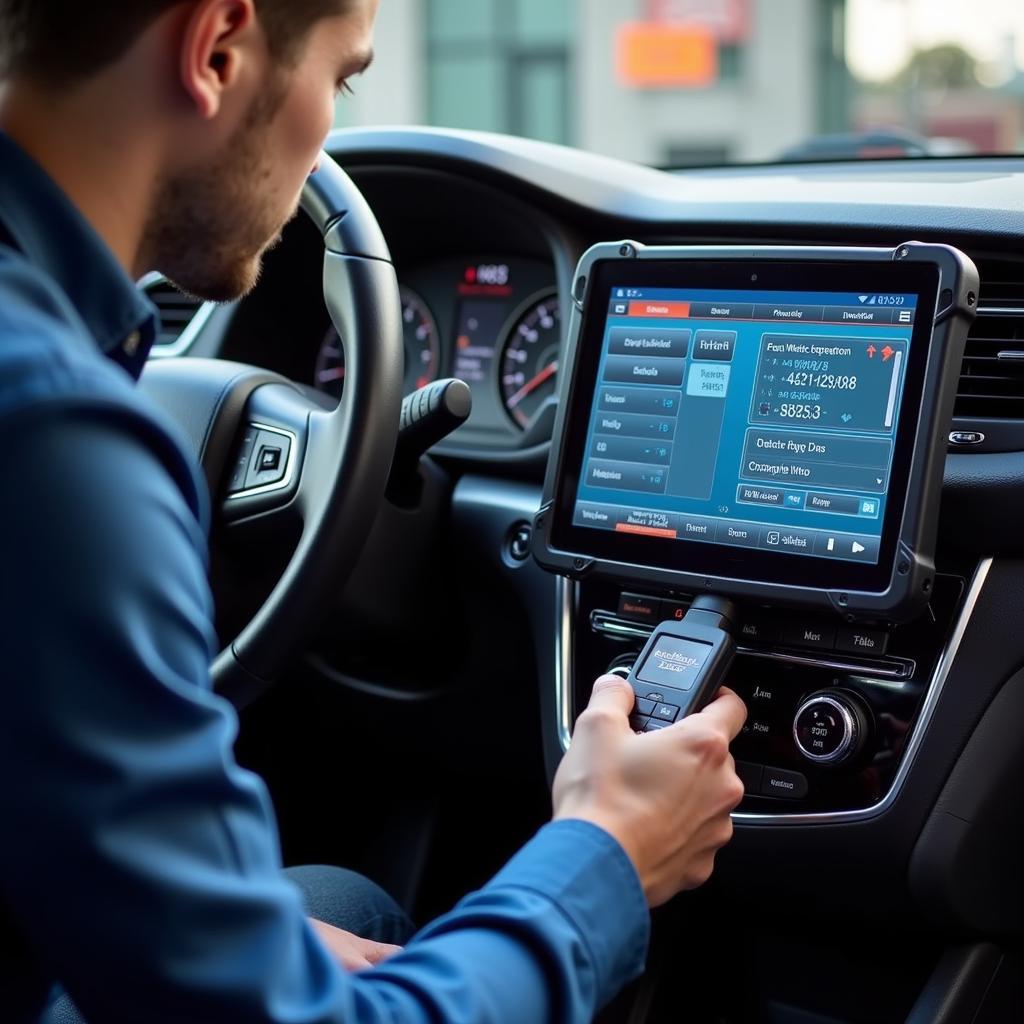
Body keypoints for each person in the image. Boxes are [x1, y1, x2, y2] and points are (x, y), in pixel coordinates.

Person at [0, 1, 748, 1021]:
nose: (327, 131)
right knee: (367, 919)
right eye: (340, 80)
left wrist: (211, 926)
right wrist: (610, 850)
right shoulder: (57, 440)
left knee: (319, 908)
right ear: (217, 48)